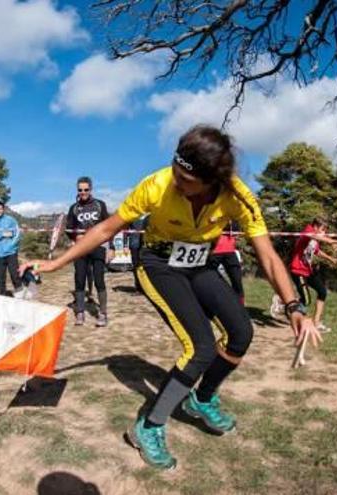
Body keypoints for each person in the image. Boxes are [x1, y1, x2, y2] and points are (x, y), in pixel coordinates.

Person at [22, 125, 320, 470]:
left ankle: (202, 399)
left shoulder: (237, 197)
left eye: (186, 179)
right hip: (157, 263)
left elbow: (267, 254)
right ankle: (148, 426)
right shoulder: (157, 184)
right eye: (175, 171)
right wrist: (56, 263)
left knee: (241, 333)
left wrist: (294, 306)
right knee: (201, 347)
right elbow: (106, 229)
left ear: (212, 180)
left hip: (199, 262)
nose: (176, 181)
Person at [66, 177, 112, 326]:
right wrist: (75, 235)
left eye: (86, 189)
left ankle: (103, 313)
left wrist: (111, 248)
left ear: (91, 189)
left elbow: (109, 227)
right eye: (80, 190)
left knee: (99, 279)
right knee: (79, 280)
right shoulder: (73, 208)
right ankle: (80, 313)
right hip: (80, 249)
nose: (83, 192)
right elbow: (68, 228)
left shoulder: (100, 205)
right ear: (77, 190)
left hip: (97, 247)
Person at [288, 217, 337, 332]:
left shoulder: (315, 240)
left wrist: (330, 258)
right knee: (306, 300)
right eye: (322, 230)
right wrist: (330, 241)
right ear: (315, 227)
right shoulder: (308, 230)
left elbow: (316, 251)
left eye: (325, 231)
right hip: (297, 271)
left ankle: (316, 322)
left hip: (308, 271)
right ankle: (284, 303)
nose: (324, 233)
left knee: (322, 292)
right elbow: (313, 236)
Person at [0, 201, 23, 297]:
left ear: (3, 209)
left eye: (0, 208)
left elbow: (17, 234)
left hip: (11, 252)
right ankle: (1, 296)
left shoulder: (11, 220)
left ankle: (20, 294)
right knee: (0, 277)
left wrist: (11, 245)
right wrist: (2, 234)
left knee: (15, 275)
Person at [211, 225, 244, 304]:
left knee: (237, 281)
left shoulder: (232, 219)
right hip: (214, 252)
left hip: (230, 251)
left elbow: (236, 232)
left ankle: (240, 307)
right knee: (208, 279)